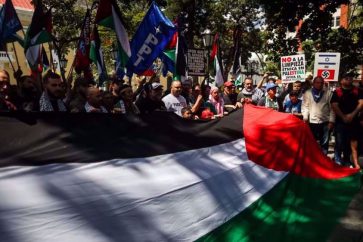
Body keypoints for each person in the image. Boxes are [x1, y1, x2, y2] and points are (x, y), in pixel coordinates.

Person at [331, 75, 363, 168]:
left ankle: (347, 160)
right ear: (341, 81)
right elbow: (334, 105)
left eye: (350, 78)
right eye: (346, 78)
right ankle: (337, 160)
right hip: (340, 122)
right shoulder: (337, 92)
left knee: (352, 142)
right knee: (339, 142)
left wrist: (352, 115)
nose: (349, 79)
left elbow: (361, 103)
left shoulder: (358, 90)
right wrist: (343, 117)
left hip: (354, 121)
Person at [302, 76, 335, 154]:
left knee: (324, 144)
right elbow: (305, 106)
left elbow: (332, 109)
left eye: (321, 83)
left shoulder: (328, 93)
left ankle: (324, 160)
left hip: (325, 122)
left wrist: (331, 121)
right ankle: (313, 160)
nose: (319, 84)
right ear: (313, 83)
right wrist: (305, 118)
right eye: (317, 82)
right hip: (311, 122)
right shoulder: (308, 93)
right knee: (311, 143)